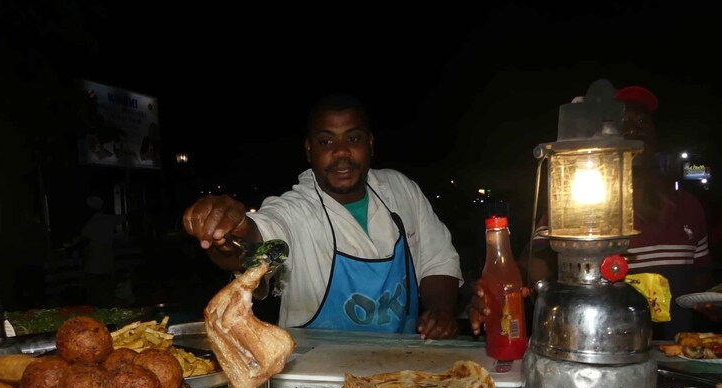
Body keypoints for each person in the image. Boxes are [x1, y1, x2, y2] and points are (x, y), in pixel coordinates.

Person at [183, 93, 463, 339]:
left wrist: (440, 312)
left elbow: (437, 259)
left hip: (405, 366)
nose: (341, 152)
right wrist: (232, 231)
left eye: (353, 139)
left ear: (370, 143)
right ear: (309, 150)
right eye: (326, 141)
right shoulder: (296, 209)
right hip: (316, 379)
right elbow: (258, 244)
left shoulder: (400, 190)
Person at [470, 84, 712, 340]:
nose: (634, 128)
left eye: (642, 120)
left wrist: (712, 305)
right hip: (592, 348)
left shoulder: (688, 207)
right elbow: (529, 270)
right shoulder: (576, 209)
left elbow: (701, 284)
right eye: (620, 121)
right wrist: (494, 293)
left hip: (677, 355)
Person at [76, 195, 126, 307]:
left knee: (95, 298)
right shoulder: (110, 219)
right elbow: (124, 217)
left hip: (93, 267)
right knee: (107, 296)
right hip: (107, 265)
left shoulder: (91, 223)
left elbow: (83, 242)